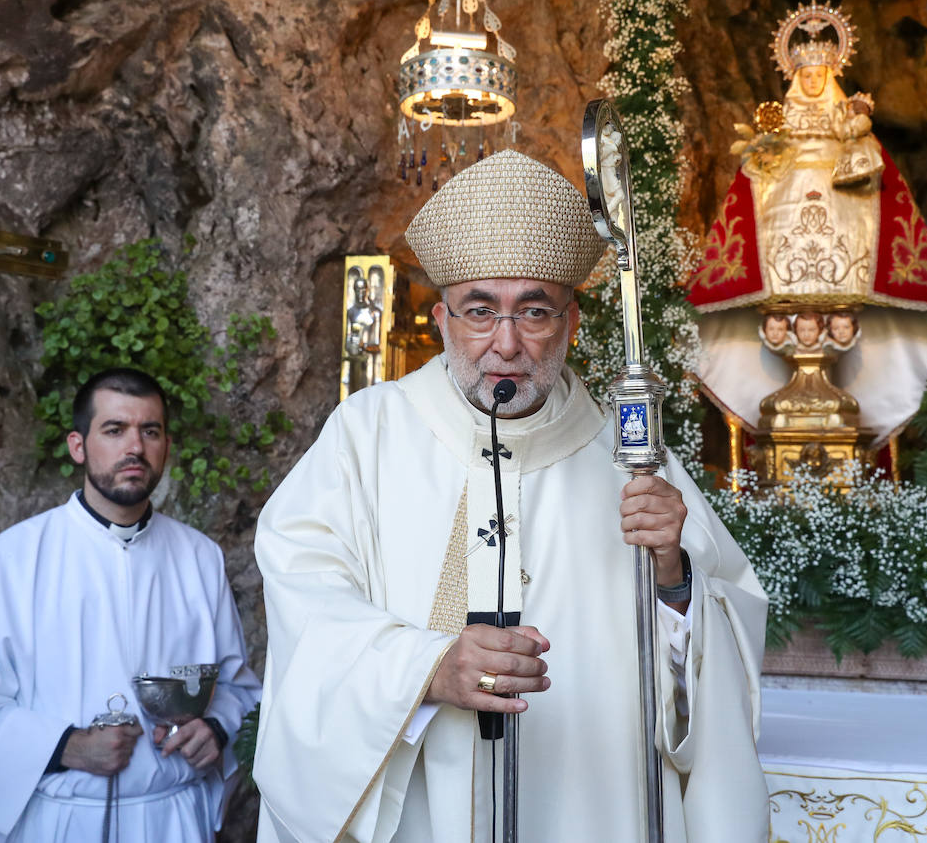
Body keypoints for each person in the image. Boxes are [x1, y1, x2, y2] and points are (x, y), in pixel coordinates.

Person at [252, 150, 770, 842]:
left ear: (571, 322)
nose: (506, 343)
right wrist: (428, 668)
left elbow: (716, 661)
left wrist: (674, 577)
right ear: (440, 319)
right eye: (479, 311)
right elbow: (305, 599)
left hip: (590, 803)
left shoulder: (632, 458)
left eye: (533, 311)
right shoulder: (368, 434)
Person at [0, 368, 261, 842]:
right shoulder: (12, 561)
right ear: (79, 445)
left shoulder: (200, 558)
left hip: (171, 821)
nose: (134, 447)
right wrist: (65, 746)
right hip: (59, 822)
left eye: (150, 431)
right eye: (114, 430)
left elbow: (238, 689)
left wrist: (216, 729)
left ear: (166, 446)